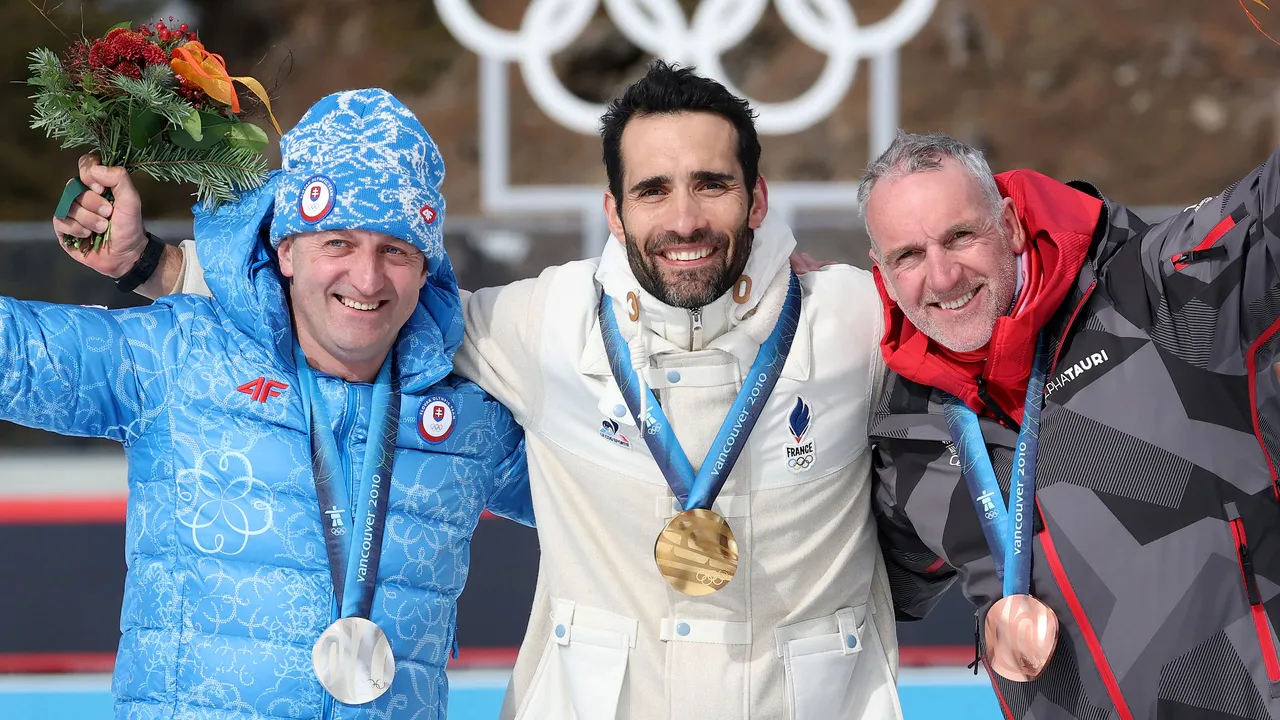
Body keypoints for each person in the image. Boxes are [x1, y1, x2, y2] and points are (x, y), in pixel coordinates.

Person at [58, 61, 901, 719]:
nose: (684, 219)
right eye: (653, 189)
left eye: (712, 183)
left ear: (757, 199)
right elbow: (362, 306)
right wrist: (155, 265)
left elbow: (958, 309)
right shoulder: (544, 323)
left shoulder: (857, 318)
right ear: (614, 212)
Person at [30, 87, 533, 719]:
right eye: (337, 243)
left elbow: (611, 497)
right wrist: (145, 263)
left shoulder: (470, 422)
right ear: (287, 249)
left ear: (426, 269)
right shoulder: (179, 358)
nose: (368, 278)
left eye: (396, 250)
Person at [861, 129, 1280, 719]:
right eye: (908, 255)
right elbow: (849, 587)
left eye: (960, 236)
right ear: (881, 273)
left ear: (1009, 224)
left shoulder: (1159, 291)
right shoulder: (909, 433)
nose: (943, 276)